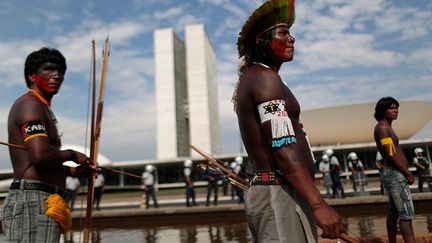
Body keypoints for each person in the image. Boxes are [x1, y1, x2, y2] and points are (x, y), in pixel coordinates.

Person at [231, 0, 343, 241]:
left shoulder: (262, 78)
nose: (292, 39)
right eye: (283, 33)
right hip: (277, 194)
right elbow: (282, 147)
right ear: (262, 41)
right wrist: (318, 204)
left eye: (290, 32)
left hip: (284, 191)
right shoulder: (264, 78)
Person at [1, 47, 94, 242]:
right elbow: (40, 155)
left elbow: (41, 163)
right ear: (32, 76)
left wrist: (74, 172)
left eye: (61, 71)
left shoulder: (41, 107)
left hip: (41, 200)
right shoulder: (30, 105)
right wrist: (71, 155)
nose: (57, 75)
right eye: (49, 69)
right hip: (32, 201)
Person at [374, 96, 415, 243]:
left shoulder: (386, 127)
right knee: (406, 214)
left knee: (394, 213)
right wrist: (407, 172)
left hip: (393, 173)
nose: (395, 110)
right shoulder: (383, 128)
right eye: (391, 108)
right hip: (395, 174)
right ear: (383, 110)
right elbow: (391, 154)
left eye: (396, 107)